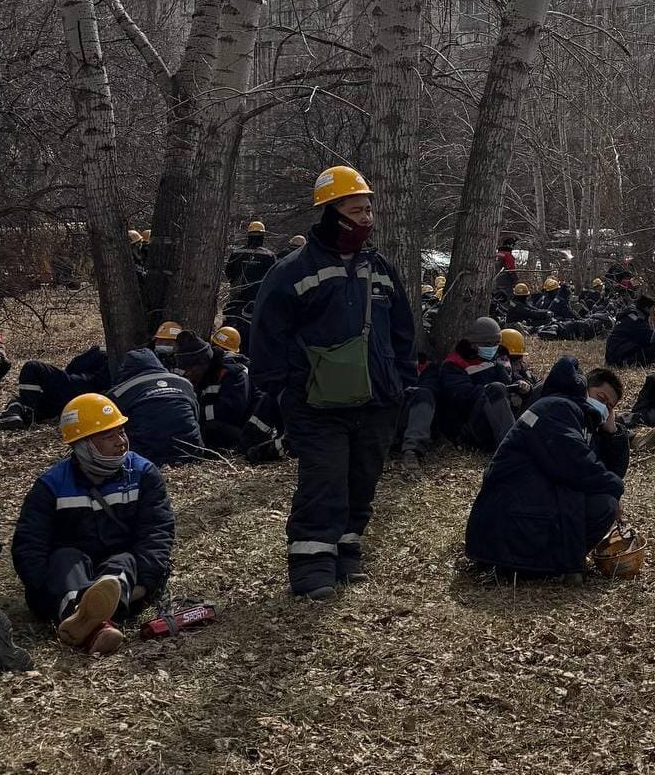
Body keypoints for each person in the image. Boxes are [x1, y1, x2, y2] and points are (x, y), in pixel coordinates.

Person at [252, 165, 415, 600]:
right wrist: (283, 388)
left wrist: (402, 379)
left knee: (362, 480)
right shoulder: (291, 271)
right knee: (323, 482)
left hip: (378, 401)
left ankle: (347, 552)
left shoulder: (379, 268)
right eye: (357, 209)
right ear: (331, 212)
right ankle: (311, 568)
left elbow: (402, 327)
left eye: (368, 210)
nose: (367, 218)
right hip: (315, 405)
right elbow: (268, 333)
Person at [11, 394, 175, 655]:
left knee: (123, 561)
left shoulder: (143, 474)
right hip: (68, 575)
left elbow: (157, 532)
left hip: (126, 576)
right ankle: (93, 623)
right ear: (83, 444)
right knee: (66, 557)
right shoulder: (51, 485)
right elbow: (29, 545)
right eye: (109, 436)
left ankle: (85, 622)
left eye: (121, 432)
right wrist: (44, 592)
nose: (121, 442)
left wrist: (146, 583)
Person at [464, 358, 628, 579]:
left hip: (534, 506)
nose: (605, 408)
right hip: (511, 518)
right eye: (602, 399)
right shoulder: (557, 408)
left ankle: (552, 563)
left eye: (611, 407)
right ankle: (538, 565)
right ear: (584, 388)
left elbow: (604, 472)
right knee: (605, 502)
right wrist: (616, 488)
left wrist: (613, 434)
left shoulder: (584, 422)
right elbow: (577, 464)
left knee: (604, 504)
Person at [397, 318, 527, 468]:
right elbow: (462, 397)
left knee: (540, 388)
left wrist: (523, 387)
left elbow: (509, 380)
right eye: (488, 344)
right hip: (471, 426)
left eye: (495, 344)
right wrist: (495, 389)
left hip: (501, 415)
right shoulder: (452, 366)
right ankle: (511, 450)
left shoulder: (494, 361)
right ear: (474, 344)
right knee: (496, 389)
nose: (492, 348)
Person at [106, 343, 204, 465]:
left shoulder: (119, 393)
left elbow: (113, 428)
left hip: (148, 458)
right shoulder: (185, 383)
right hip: (193, 453)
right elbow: (196, 413)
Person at [0, 343, 112, 433]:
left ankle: (27, 413)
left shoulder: (104, 350)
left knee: (32, 366)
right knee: (20, 398)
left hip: (81, 386)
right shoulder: (120, 356)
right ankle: (14, 415)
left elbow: (74, 365)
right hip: (76, 399)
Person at [171, 328, 254, 451]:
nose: (187, 374)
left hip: (244, 431)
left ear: (202, 364)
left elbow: (230, 413)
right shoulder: (204, 375)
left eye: (189, 369)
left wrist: (195, 412)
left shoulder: (233, 373)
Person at [223, 221, 278, 321]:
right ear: (262, 236)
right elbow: (274, 278)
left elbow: (228, 272)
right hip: (257, 299)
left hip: (237, 298)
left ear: (248, 236)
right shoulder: (269, 256)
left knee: (232, 322)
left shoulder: (236, 253)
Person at [604, 295, 655, 367]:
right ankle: (627, 362)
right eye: (652, 309)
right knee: (654, 348)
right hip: (620, 356)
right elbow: (650, 338)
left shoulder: (630, 313)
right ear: (647, 308)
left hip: (613, 354)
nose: (652, 312)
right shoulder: (637, 319)